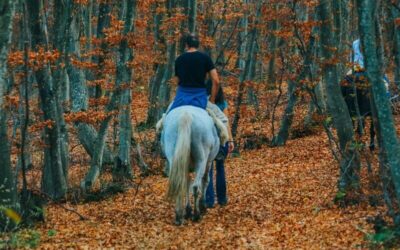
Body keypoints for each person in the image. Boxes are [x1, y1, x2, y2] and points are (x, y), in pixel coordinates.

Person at [156, 34, 230, 144]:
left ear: (186, 45)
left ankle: (160, 140)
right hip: (200, 97)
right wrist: (212, 100)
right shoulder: (205, 58)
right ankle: (223, 145)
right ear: (198, 45)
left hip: (181, 97)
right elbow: (216, 81)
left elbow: (176, 81)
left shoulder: (179, 59)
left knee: (165, 119)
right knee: (223, 119)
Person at [205, 80, 234, 208]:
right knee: (220, 168)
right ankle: (222, 199)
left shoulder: (204, 105)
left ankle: (209, 200)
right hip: (222, 140)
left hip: (209, 140)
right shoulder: (222, 104)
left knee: (209, 169)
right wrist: (230, 140)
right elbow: (226, 123)